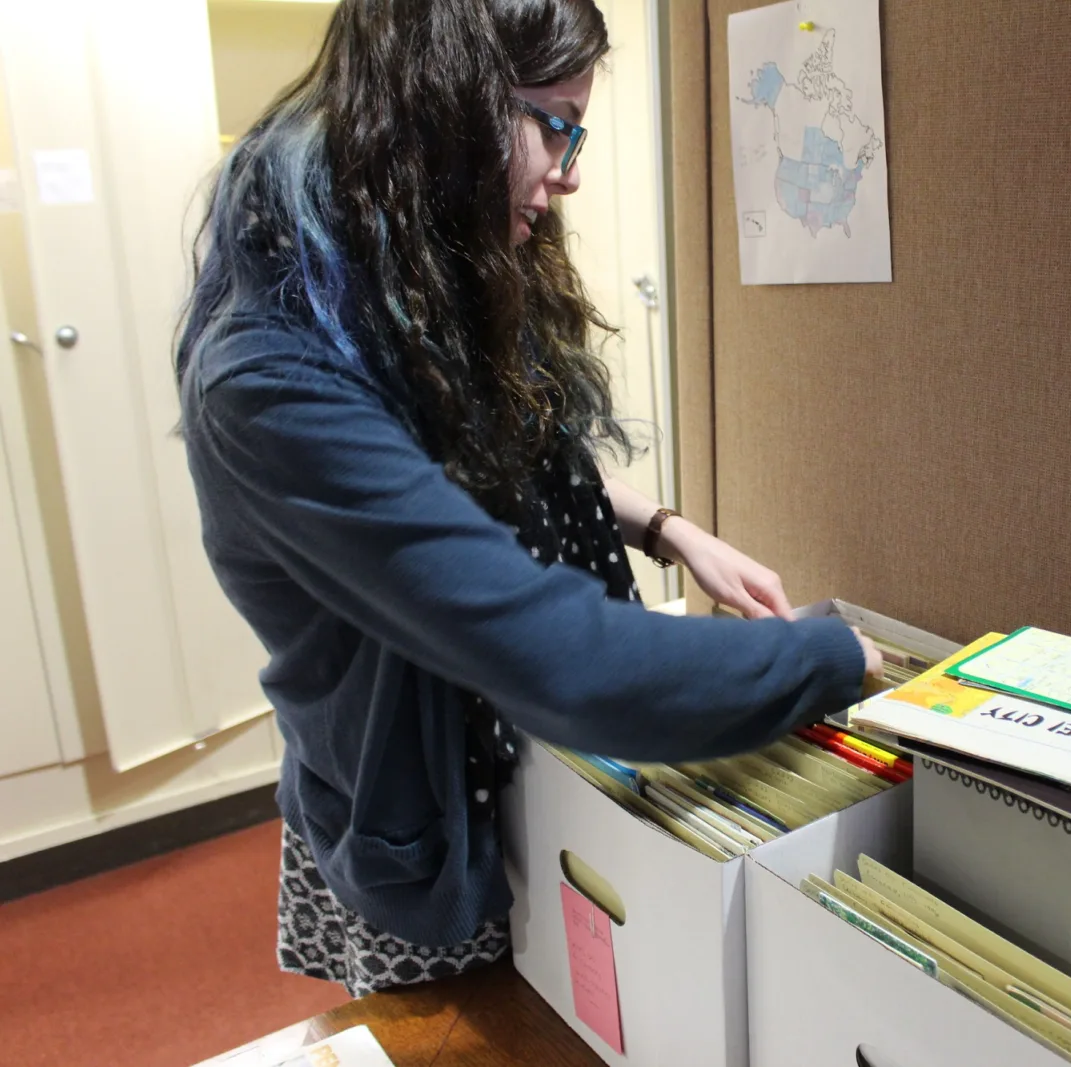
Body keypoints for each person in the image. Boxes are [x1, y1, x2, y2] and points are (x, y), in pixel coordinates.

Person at [176, 0, 881, 998]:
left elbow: (489, 462)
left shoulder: (415, 274)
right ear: (445, 108)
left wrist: (667, 529)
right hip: (432, 819)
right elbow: (568, 661)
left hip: (531, 775)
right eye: (554, 120)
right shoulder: (270, 380)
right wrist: (829, 656)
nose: (573, 165)